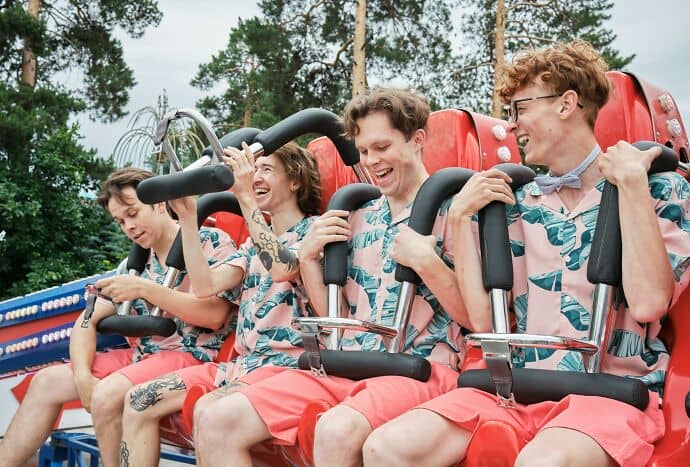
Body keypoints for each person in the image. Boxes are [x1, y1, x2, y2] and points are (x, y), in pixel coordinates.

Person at [361, 40, 690, 467]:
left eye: (520, 109)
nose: (512, 124)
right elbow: (484, 323)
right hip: (517, 387)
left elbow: (649, 302)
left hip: (610, 392)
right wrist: (462, 217)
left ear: (566, 104)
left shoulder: (660, 189)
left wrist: (631, 184)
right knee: (385, 448)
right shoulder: (514, 204)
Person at [193, 88, 473, 467]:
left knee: (335, 430)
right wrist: (309, 259)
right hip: (348, 363)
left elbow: (473, 318)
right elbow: (334, 321)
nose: (372, 161)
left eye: (382, 147)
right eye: (364, 151)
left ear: (417, 139)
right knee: (217, 421)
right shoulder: (356, 216)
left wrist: (429, 263)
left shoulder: (455, 210)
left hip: (417, 367)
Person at [0, 167, 238, 467]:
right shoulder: (133, 264)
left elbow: (215, 315)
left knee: (106, 394)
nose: (129, 226)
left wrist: (145, 290)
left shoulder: (209, 241)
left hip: (194, 356)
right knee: (47, 381)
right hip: (145, 357)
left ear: (159, 204)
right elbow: (87, 319)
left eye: (133, 213)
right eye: (120, 221)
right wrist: (83, 376)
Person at [118, 142, 323, 467]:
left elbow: (281, 268)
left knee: (208, 411)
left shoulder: (314, 231)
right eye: (253, 170)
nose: (255, 177)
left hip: (288, 364)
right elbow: (205, 285)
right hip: (245, 365)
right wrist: (188, 218)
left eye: (266, 169)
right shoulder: (251, 245)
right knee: (139, 399)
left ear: (295, 180)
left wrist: (244, 196)